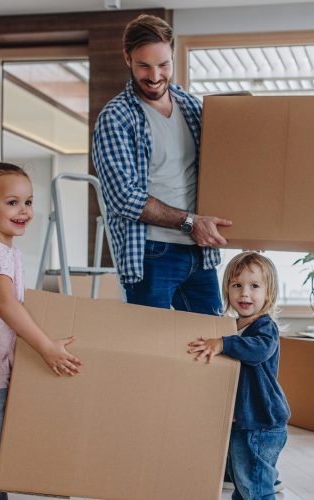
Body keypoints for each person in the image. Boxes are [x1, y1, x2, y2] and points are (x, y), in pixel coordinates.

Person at [0, 161, 83, 500]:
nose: (23, 210)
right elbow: (5, 305)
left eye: (28, 202)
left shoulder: (4, 249)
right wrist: (46, 347)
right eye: (12, 202)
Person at [92, 14, 231, 314]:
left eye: (163, 65)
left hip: (201, 253)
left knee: (208, 347)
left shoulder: (192, 108)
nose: (155, 76)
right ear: (127, 57)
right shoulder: (116, 118)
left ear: (172, 55)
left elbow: (223, 170)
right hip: (151, 252)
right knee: (151, 348)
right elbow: (123, 198)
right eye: (144, 65)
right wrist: (190, 222)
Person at [187, 252, 290, 500]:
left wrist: (223, 344)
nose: (244, 293)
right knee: (242, 484)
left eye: (254, 286)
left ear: (269, 293)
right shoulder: (232, 327)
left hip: (260, 423)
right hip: (243, 421)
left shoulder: (265, 327)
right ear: (227, 291)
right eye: (237, 285)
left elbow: (258, 350)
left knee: (255, 488)